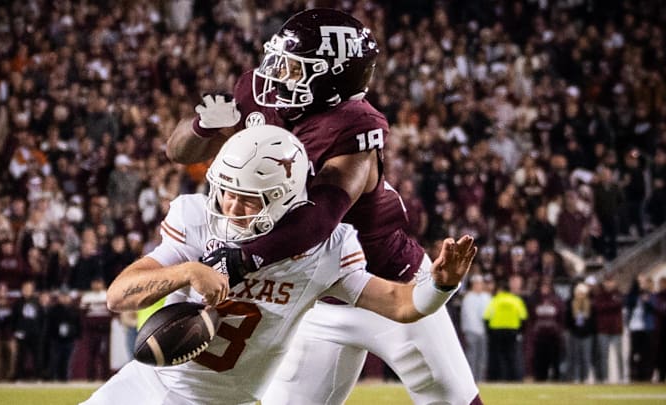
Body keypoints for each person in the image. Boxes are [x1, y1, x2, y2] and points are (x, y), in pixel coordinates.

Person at [166, 8, 480, 404]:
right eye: (279, 62)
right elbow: (176, 152)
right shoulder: (257, 93)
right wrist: (202, 126)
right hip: (316, 292)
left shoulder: (355, 126)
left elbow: (320, 218)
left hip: (388, 284)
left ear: (335, 78)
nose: (278, 76)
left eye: (295, 69)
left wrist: (242, 259)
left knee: (452, 400)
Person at [82, 125, 476, 404]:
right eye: (227, 193)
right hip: (142, 387)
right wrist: (185, 271)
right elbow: (118, 297)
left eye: (249, 199)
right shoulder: (196, 218)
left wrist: (440, 284)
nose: (232, 208)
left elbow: (400, 304)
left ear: (285, 197)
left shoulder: (325, 248)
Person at [483, 276, 528, 381]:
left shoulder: (495, 300)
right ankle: (514, 378)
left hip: (496, 332)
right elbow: (523, 317)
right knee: (512, 356)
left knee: (497, 357)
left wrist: (490, 332)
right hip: (512, 331)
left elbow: (486, 317)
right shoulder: (516, 300)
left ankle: (497, 377)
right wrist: (519, 331)